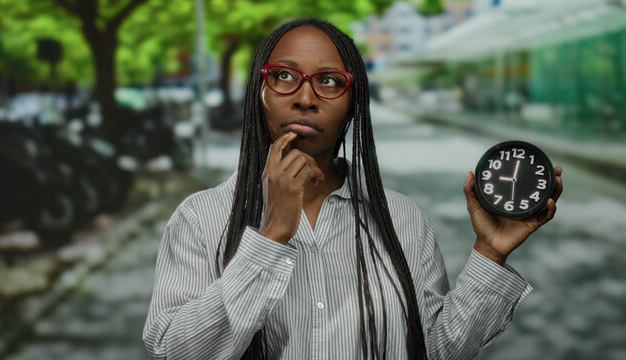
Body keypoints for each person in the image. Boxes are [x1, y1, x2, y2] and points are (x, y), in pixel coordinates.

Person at [143, 18, 563, 360]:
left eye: (329, 82)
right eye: (284, 76)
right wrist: (269, 237)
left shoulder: (402, 218)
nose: (305, 97)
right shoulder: (201, 216)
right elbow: (173, 352)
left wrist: (490, 253)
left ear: (352, 104)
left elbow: (433, 350)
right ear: (260, 92)